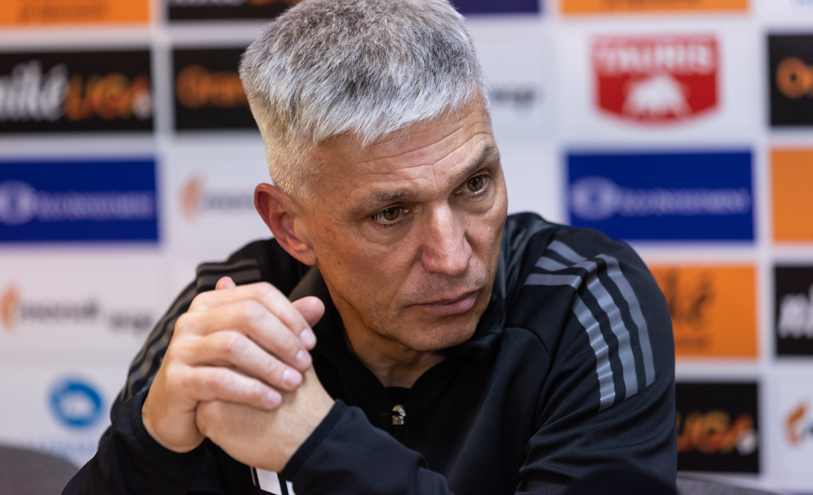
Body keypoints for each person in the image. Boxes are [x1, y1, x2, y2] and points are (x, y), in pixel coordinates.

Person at [64, 0, 676, 493]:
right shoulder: (230, 317)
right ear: (291, 225)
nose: (453, 258)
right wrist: (149, 445)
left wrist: (318, 444)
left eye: (474, 185)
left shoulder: (586, 300)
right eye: (390, 213)